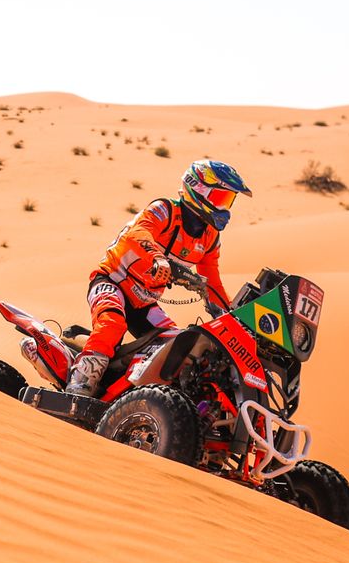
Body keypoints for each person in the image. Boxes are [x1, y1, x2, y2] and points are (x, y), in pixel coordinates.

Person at [65, 159, 252, 396]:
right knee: (112, 324)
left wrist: (229, 317)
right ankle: (78, 388)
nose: (224, 207)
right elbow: (137, 234)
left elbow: (212, 282)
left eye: (228, 200)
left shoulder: (210, 237)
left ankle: (134, 395)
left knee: (178, 344)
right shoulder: (164, 210)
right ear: (197, 190)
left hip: (144, 302)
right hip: (112, 283)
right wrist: (157, 257)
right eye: (219, 198)